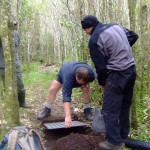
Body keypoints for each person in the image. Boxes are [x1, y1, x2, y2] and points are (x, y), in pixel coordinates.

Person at [81, 15, 138, 150]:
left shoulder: (94, 40)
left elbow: (101, 68)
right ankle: (123, 136)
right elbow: (134, 36)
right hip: (131, 71)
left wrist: (103, 83)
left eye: (85, 30)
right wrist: (121, 50)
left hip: (117, 75)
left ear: (89, 28)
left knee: (109, 110)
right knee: (125, 106)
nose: (86, 33)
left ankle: (114, 143)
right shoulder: (115, 25)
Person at [37, 62, 95, 127]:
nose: (81, 82)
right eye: (79, 80)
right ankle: (47, 110)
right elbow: (66, 96)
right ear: (76, 75)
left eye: (83, 80)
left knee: (86, 89)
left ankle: (87, 110)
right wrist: (68, 116)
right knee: (52, 89)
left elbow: (89, 80)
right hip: (65, 71)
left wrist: (85, 84)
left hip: (80, 72)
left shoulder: (91, 74)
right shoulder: (68, 77)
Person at [0, 20, 32, 108]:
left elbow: (17, 48)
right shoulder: (1, 34)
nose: (14, 26)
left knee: (20, 84)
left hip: (16, 64)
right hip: (3, 65)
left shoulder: (17, 34)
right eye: (12, 24)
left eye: (15, 24)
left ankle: (22, 103)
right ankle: (10, 105)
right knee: (7, 85)